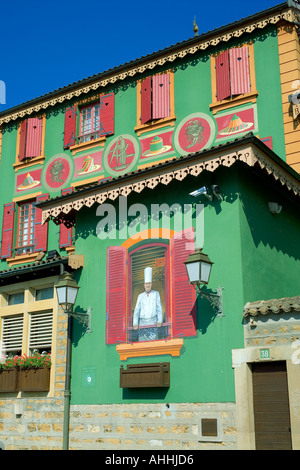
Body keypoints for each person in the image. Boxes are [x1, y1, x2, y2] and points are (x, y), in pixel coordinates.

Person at [133, 267, 163, 341]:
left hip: (153, 322)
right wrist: (135, 323)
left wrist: (160, 320)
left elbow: (159, 308)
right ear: (144, 285)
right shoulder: (140, 296)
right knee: (143, 344)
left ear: (151, 284)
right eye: (146, 284)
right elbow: (137, 310)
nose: (148, 285)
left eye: (149, 283)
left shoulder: (156, 294)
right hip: (142, 323)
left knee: (153, 343)